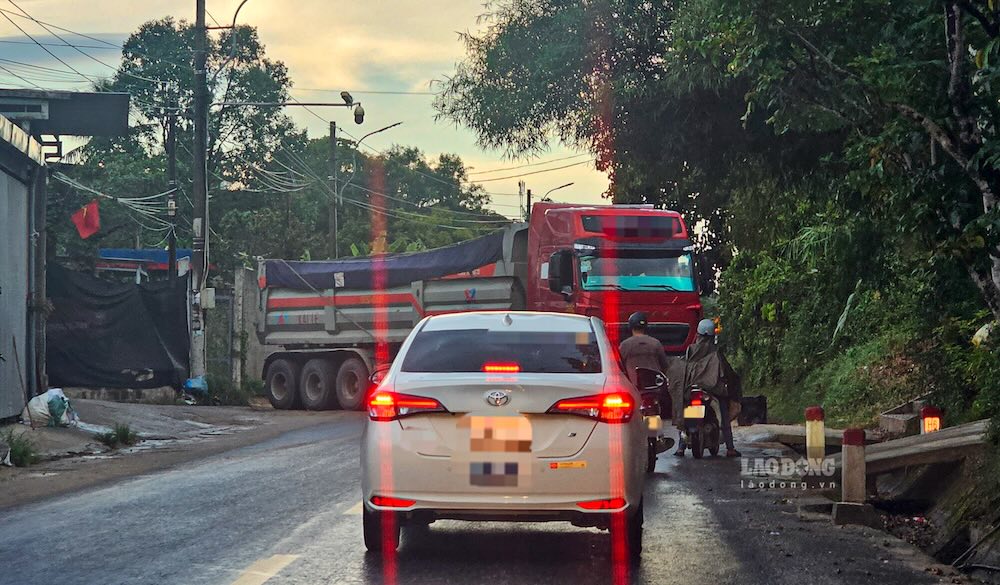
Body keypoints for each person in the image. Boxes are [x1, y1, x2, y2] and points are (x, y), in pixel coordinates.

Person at [673, 318, 742, 457]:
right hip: (712, 390)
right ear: (712, 336)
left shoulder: (690, 350)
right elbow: (728, 373)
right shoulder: (716, 353)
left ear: (697, 334)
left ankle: (681, 447)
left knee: (685, 410)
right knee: (723, 412)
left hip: (691, 389)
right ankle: (730, 448)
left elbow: (681, 370)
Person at [618, 312, 671, 388]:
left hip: (633, 387)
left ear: (630, 326)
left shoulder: (625, 345)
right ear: (645, 326)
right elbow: (665, 365)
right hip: (654, 385)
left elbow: (619, 367)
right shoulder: (656, 343)